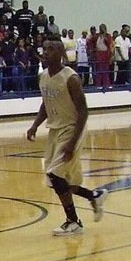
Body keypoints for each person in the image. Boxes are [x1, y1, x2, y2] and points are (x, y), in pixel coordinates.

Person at [26, 35, 108, 236]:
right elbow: (46, 104)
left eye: (51, 49)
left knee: (55, 174)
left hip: (72, 128)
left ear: (61, 54)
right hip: (55, 129)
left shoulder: (70, 78)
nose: (46, 52)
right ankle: (94, 196)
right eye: (44, 49)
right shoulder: (43, 76)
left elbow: (83, 111)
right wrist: (35, 125)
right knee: (61, 180)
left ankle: (73, 221)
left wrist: (72, 142)